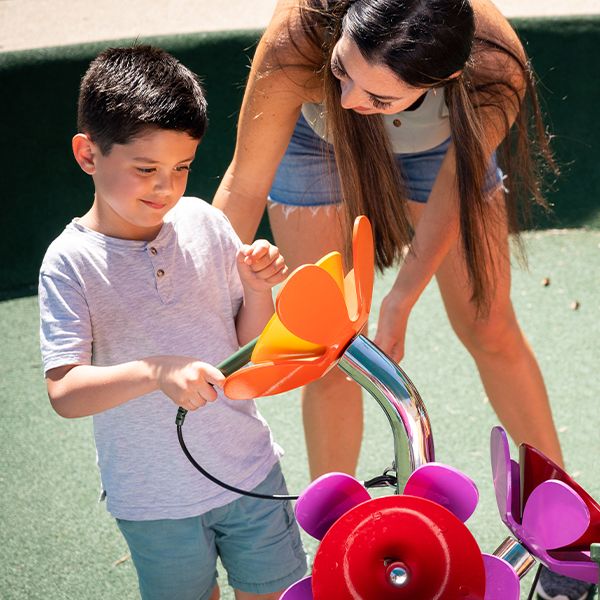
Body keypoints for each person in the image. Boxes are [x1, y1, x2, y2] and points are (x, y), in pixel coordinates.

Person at [212, 1, 595, 598]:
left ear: (441, 79)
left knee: (489, 327)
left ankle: (566, 537)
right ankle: (341, 552)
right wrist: (190, 292)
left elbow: (453, 194)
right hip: (314, 149)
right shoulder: (300, 35)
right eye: (342, 69)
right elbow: (243, 183)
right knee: (331, 344)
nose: (348, 101)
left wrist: (401, 300)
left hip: (445, 148)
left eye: (377, 96)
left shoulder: (494, 66)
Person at [39, 45, 306, 600]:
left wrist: (259, 290)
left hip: (249, 472)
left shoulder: (204, 222)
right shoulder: (69, 262)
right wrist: (157, 371)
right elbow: (64, 392)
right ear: (88, 154)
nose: (165, 188)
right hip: (153, 501)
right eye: (145, 169)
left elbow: (245, 345)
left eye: (181, 168)